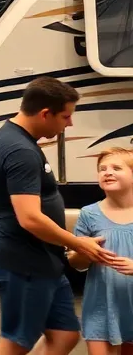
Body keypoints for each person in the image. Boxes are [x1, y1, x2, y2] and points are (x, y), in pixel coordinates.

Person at [0, 77, 114, 355]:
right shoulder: (20, 150)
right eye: (66, 116)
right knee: (17, 340)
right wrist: (79, 243)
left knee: (65, 334)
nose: (69, 124)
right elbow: (29, 218)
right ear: (46, 113)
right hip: (23, 262)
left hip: (43, 261)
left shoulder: (17, 137)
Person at [70, 146, 133, 355]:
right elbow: (76, 263)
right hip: (101, 305)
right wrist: (84, 251)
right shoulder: (89, 214)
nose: (107, 172)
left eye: (117, 167)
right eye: (102, 168)